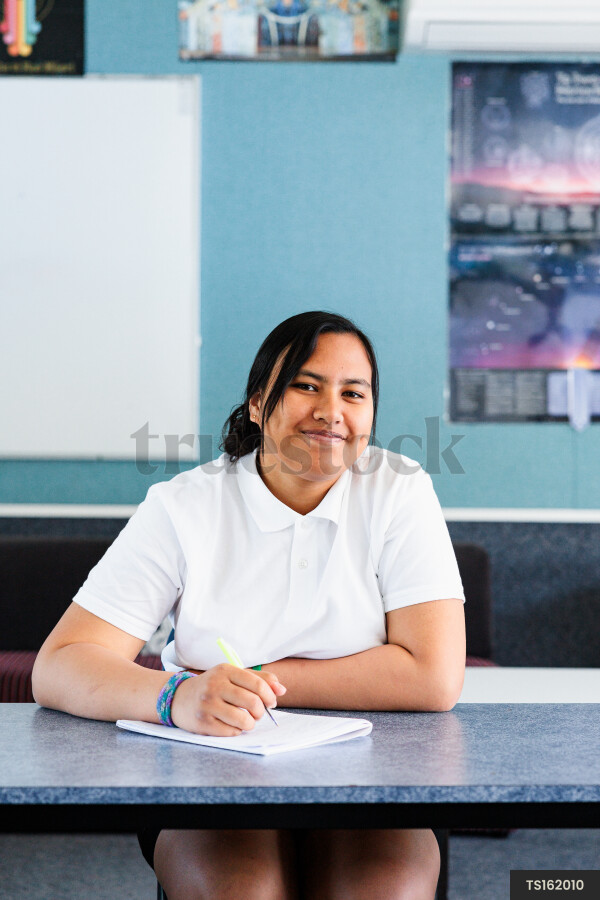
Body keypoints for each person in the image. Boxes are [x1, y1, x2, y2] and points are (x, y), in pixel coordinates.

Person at [33, 310, 465, 900]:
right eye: (306, 385)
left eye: (353, 393)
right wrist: (178, 696)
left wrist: (258, 680)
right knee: (245, 890)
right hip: (212, 765)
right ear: (259, 404)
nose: (330, 411)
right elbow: (61, 663)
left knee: (381, 888)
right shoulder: (184, 506)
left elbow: (432, 676)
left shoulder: (400, 489)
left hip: (376, 768)